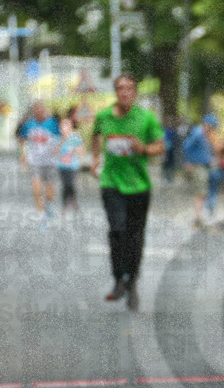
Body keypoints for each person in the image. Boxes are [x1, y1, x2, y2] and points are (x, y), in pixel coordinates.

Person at [90, 73, 165, 312]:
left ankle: (132, 281)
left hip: (139, 186)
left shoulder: (146, 118)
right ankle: (118, 278)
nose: (125, 93)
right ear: (115, 92)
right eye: (120, 88)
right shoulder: (103, 117)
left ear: (135, 93)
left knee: (135, 236)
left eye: (129, 89)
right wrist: (95, 158)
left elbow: (160, 146)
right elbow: (95, 136)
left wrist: (143, 148)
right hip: (111, 183)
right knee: (117, 229)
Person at [19, 101, 61, 230]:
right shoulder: (29, 124)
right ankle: (41, 214)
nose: (39, 112)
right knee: (36, 189)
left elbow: (59, 138)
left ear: (44, 110)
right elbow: (23, 139)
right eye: (36, 110)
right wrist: (24, 154)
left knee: (49, 192)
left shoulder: (52, 123)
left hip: (49, 162)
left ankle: (48, 205)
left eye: (41, 109)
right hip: (35, 161)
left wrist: (56, 149)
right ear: (33, 112)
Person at [181, 114, 217, 226]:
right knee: (200, 192)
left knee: (203, 191)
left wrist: (209, 159)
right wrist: (189, 161)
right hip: (197, 166)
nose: (212, 130)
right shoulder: (198, 133)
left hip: (203, 166)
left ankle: (200, 215)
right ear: (208, 125)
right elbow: (186, 146)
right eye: (212, 127)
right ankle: (198, 217)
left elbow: (202, 150)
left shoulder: (203, 134)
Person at [57, 117, 85, 218]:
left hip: (73, 165)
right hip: (62, 166)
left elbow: (82, 152)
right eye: (62, 126)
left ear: (71, 127)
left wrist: (75, 149)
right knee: (66, 185)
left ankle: (70, 203)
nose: (64, 128)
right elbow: (54, 152)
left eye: (66, 126)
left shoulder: (75, 138)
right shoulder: (58, 137)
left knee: (70, 184)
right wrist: (62, 140)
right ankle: (68, 204)